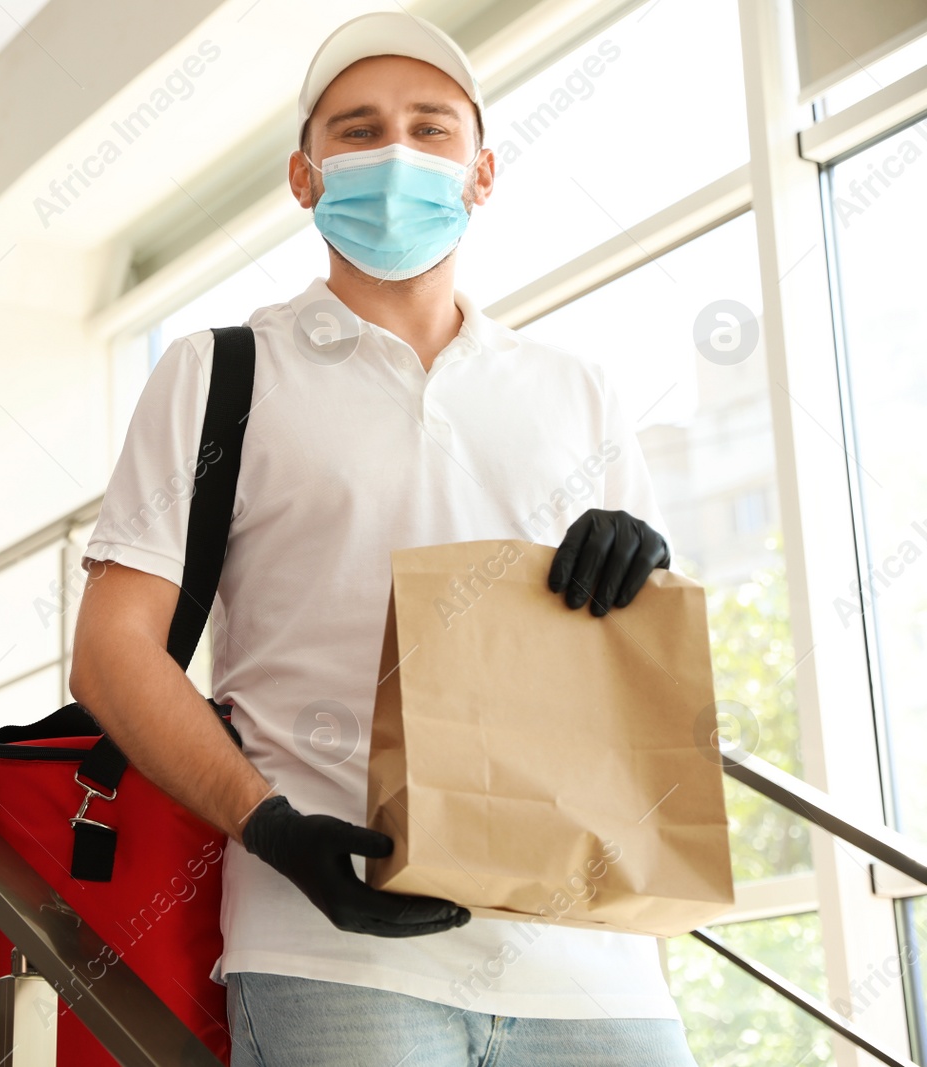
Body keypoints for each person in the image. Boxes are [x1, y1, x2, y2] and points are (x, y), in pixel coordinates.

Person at [66, 11, 689, 1067]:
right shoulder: (222, 374)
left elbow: (635, 661)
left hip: (591, 951)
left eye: (429, 128)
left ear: (482, 173)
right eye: (356, 131)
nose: (394, 153)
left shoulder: (577, 392)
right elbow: (111, 654)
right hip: (329, 950)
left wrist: (645, 557)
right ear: (304, 178)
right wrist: (270, 830)